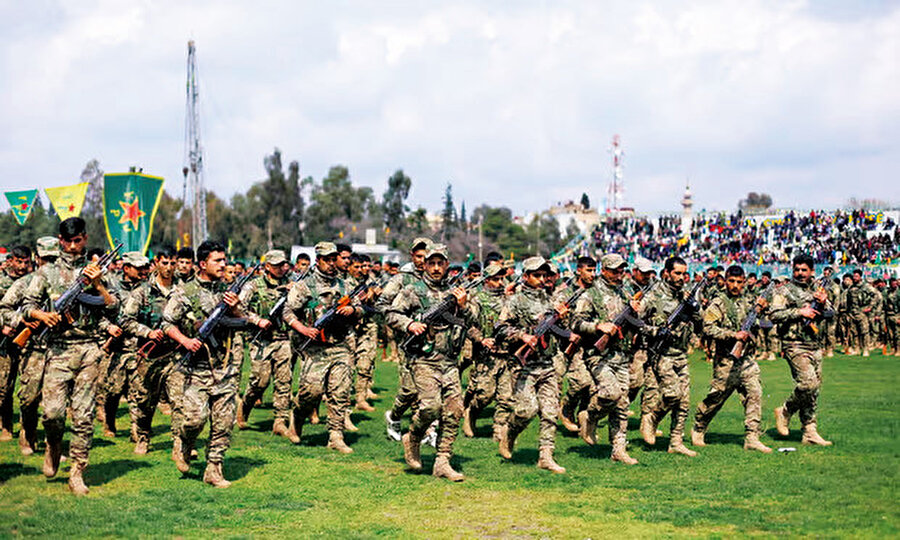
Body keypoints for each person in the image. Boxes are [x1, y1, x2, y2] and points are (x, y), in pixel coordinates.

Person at [23, 217, 119, 495]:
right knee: (52, 414)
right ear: (60, 240)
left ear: (85, 239)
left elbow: (114, 308)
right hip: (58, 349)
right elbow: (27, 304)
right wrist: (43, 314)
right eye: (68, 241)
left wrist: (99, 285)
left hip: (90, 348)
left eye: (78, 241)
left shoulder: (97, 270)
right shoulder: (47, 273)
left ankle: (77, 471)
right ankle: (53, 445)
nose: (74, 246)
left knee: (84, 415)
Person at [163, 240, 262, 487]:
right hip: (195, 368)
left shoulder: (227, 292)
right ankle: (184, 442)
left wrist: (236, 307)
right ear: (202, 263)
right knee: (195, 419)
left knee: (224, 421)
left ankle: (214, 468)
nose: (223, 264)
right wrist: (185, 341)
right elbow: (166, 323)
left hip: (224, 367)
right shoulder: (184, 292)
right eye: (217, 260)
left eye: (224, 260)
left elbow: (244, 320)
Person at [387, 243, 475, 481]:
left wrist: (464, 307)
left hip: (449, 360)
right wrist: (409, 324)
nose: (436, 268)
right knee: (430, 407)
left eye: (440, 263)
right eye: (431, 263)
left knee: (455, 410)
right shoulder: (412, 290)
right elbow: (391, 313)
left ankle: (442, 461)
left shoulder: (457, 292)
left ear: (447, 265)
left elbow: (473, 320)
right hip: (424, 359)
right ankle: (413, 437)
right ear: (424, 264)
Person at [495, 256, 577, 474]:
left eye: (545, 275)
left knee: (550, 413)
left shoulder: (551, 301)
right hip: (525, 366)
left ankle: (546, 456)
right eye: (537, 276)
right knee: (526, 410)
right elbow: (499, 328)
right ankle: (510, 432)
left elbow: (562, 333)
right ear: (526, 277)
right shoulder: (515, 302)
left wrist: (563, 318)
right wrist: (521, 336)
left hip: (548, 364)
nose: (542, 280)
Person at [283, 242, 361, 453]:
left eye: (333, 258)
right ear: (318, 260)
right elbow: (288, 312)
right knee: (312, 391)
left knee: (340, 392)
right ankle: (297, 418)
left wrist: (352, 309)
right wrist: (303, 329)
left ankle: (335, 436)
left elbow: (362, 309)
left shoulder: (345, 285)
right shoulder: (304, 284)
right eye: (326, 259)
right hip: (315, 348)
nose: (331, 263)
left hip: (341, 345)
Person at [691, 265, 772, 453]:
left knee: (755, 393)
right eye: (732, 281)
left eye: (739, 282)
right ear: (725, 281)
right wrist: (732, 335)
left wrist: (762, 312)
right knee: (716, 397)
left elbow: (763, 324)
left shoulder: (749, 301)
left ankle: (752, 437)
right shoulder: (719, 303)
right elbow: (708, 328)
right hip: (726, 360)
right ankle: (699, 426)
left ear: (744, 282)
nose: (735, 285)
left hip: (747, 359)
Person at [571, 253, 641, 465]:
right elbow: (576, 323)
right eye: (614, 271)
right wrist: (597, 327)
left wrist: (636, 313)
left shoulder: (626, 291)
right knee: (610, 393)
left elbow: (633, 321)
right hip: (598, 355)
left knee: (622, 404)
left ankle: (618, 449)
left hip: (621, 354)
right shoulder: (590, 294)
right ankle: (590, 416)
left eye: (621, 271)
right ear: (604, 271)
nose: (619, 274)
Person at [120, 245, 181, 455]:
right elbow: (126, 321)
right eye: (165, 263)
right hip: (149, 356)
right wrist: (147, 333)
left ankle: (180, 444)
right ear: (156, 263)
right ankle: (143, 436)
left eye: (173, 263)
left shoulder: (182, 290)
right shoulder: (142, 292)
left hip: (176, 355)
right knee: (145, 402)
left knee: (178, 400)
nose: (169, 268)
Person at [639, 256, 703, 457]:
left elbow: (700, 327)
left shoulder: (685, 297)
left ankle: (675, 442)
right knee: (672, 394)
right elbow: (636, 324)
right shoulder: (653, 296)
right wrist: (655, 331)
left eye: (684, 273)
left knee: (684, 402)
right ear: (666, 273)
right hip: (662, 354)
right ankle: (652, 418)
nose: (681, 277)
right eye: (677, 273)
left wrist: (695, 309)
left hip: (680, 354)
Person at [0, 238, 56, 455]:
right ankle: (28, 433)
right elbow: (4, 309)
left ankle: (54, 443)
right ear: (38, 259)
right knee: (29, 397)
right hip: (33, 349)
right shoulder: (24, 283)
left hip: (60, 349)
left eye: (54, 259)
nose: (49, 264)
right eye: (46, 260)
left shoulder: (66, 283)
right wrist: (21, 320)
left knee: (55, 404)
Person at [771, 253, 834, 446]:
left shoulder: (818, 289)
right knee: (808, 384)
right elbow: (774, 314)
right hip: (794, 344)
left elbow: (831, 314)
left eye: (804, 270)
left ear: (812, 271)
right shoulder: (784, 291)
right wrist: (800, 312)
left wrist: (823, 303)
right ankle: (785, 410)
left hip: (814, 343)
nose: (799, 273)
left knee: (813, 392)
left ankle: (809, 431)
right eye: (796, 269)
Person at [379, 238, 432, 441]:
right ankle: (394, 416)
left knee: (431, 391)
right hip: (409, 342)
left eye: (426, 256)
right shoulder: (402, 278)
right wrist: (406, 323)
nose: (423, 261)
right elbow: (383, 304)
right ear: (412, 256)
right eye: (419, 256)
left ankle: (430, 431)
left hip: (435, 344)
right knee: (410, 389)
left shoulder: (439, 278)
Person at [236, 250, 293, 437]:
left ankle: (280, 420)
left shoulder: (291, 284)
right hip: (261, 340)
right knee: (260, 381)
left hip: (283, 338)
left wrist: (295, 292)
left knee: (284, 381)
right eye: (276, 265)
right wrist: (257, 320)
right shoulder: (253, 286)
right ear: (267, 266)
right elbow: (239, 309)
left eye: (282, 264)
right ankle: (245, 406)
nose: (280, 268)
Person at [95, 251, 149, 438]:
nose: (144, 271)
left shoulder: (149, 288)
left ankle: (137, 429)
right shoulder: (111, 286)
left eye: (145, 267)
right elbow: (97, 315)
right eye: (139, 267)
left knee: (138, 391)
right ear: (126, 268)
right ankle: (109, 421)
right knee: (113, 390)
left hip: (141, 347)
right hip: (117, 347)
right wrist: (108, 327)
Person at [462, 264, 509, 440]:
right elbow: (468, 324)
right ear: (487, 280)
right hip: (485, 355)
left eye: (501, 278)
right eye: (496, 279)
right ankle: (471, 412)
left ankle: (499, 432)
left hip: (507, 354)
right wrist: (481, 339)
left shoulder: (508, 299)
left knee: (506, 398)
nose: (500, 282)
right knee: (484, 394)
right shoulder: (476, 300)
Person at [0, 245, 33, 440]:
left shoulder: (33, 281)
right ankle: (6, 425)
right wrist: (2, 326)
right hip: (5, 339)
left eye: (26, 262)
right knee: (5, 386)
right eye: (19, 262)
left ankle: (26, 429)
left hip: (29, 339)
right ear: (11, 260)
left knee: (29, 387)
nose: (22, 266)